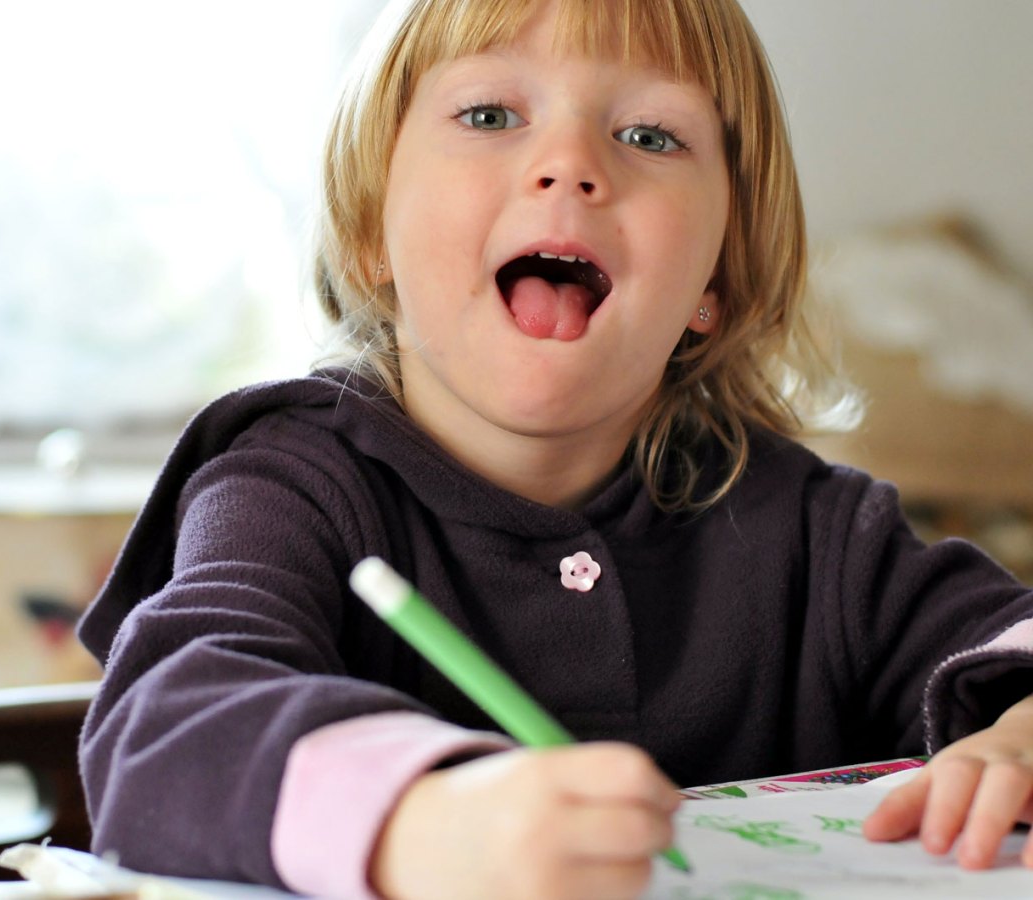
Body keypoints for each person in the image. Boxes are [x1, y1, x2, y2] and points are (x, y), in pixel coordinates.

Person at [77, 0, 1033, 897]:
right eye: (490, 115)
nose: (570, 164)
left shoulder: (819, 532)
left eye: (649, 135)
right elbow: (164, 733)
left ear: (715, 281)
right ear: (373, 235)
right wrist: (417, 823)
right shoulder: (290, 485)